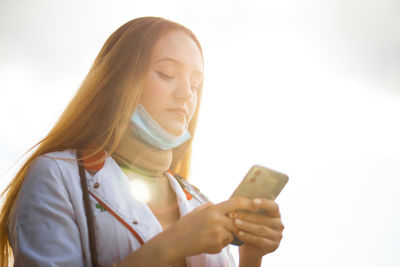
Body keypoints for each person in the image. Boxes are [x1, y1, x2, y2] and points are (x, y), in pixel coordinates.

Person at [0, 17, 284, 267]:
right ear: (120, 81)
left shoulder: (200, 202)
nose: (187, 94)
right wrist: (171, 246)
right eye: (167, 74)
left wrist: (251, 256)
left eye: (196, 83)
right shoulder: (55, 174)